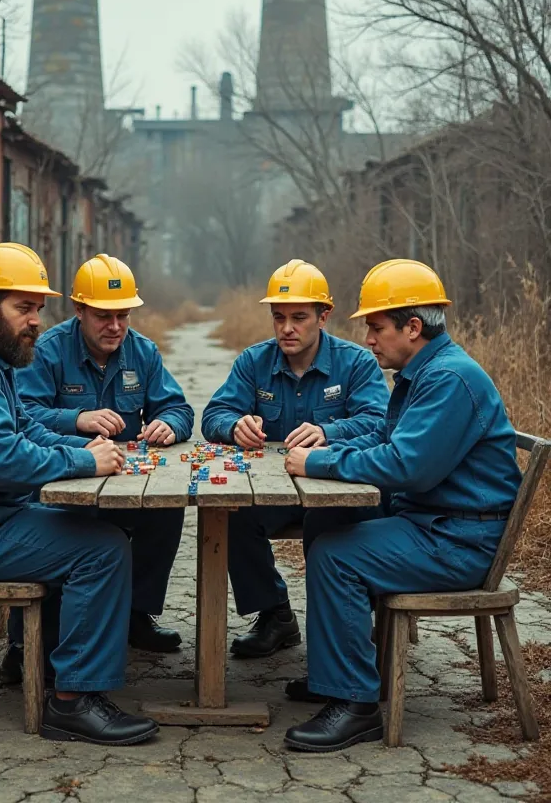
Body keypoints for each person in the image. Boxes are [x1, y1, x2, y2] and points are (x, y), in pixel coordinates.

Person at [0, 243, 158, 746]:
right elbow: (2, 463)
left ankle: (50, 663)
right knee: (102, 549)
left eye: (39, 308)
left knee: (91, 530)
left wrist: (87, 445)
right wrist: (86, 461)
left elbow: (25, 432)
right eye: (23, 308)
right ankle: (72, 702)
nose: (35, 320)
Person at [282, 259, 521, 752]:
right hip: (437, 522)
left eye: (376, 327)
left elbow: (408, 466)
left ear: (413, 328)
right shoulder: (426, 372)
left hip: (458, 540)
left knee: (335, 555)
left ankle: (356, 705)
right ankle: (340, 672)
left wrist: (320, 464)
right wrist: (329, 449)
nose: (369, 340)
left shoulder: (449, 380)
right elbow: (385, 437)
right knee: (325, 518)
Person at [201, 259, 389, 658]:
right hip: (274, 492)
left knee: (332, 523)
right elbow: (213, 415)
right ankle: (275, 615)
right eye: (279, 317)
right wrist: (234, 427)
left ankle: (344, 629)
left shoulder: (356, 362)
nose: (287, 328)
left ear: (324, 316)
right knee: (230, 514)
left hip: (336, 490)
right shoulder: (254, 362)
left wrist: (330, 432)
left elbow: (379, 424)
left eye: (299, 317)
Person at [14, 253, 193, 659]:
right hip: (63, 480)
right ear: (79, 310)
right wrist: (77, 418)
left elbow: (180, 409)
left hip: (125, 478)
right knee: (62, 526)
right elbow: (22, 414)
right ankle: (26, 640)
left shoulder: (143, 352)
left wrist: (169, 424)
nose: (115, 327)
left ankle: (136, 615)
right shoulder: (47, 351)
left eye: (123, 315)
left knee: (167, 509)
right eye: (103, 316)